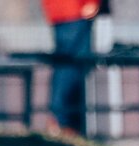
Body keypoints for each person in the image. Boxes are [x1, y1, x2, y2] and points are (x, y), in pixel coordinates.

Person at [41, 0, 108, 136]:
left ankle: (63, 121)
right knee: (72, 69)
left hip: (64, 11)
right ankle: (64, 123)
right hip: (75, 11)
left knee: (66, 66)